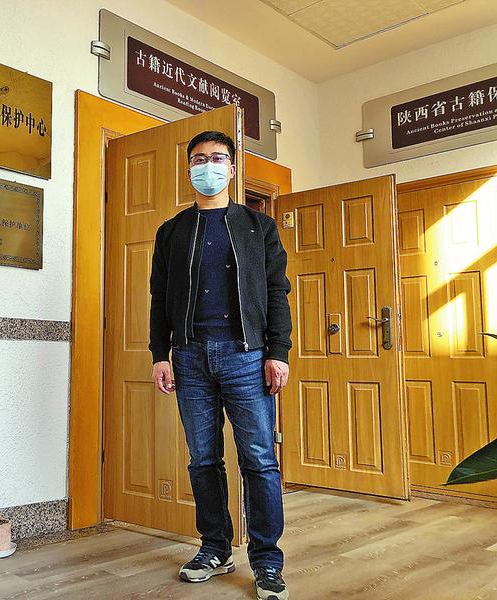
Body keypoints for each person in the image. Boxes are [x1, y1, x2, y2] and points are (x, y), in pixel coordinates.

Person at [149, 130, 292, 600]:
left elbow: (277, 292)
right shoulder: (172, 231)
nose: (206, 166)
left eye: (216, 158)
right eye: (198, 159)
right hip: (190, 357)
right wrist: (160, 353)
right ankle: (215, 547)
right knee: (203, 459)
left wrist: (278, 352)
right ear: (189, 168)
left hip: (246, 356)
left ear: (231, 169)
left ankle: (267, 561)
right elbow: (159, 297)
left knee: (260, 459)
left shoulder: (258, 227)